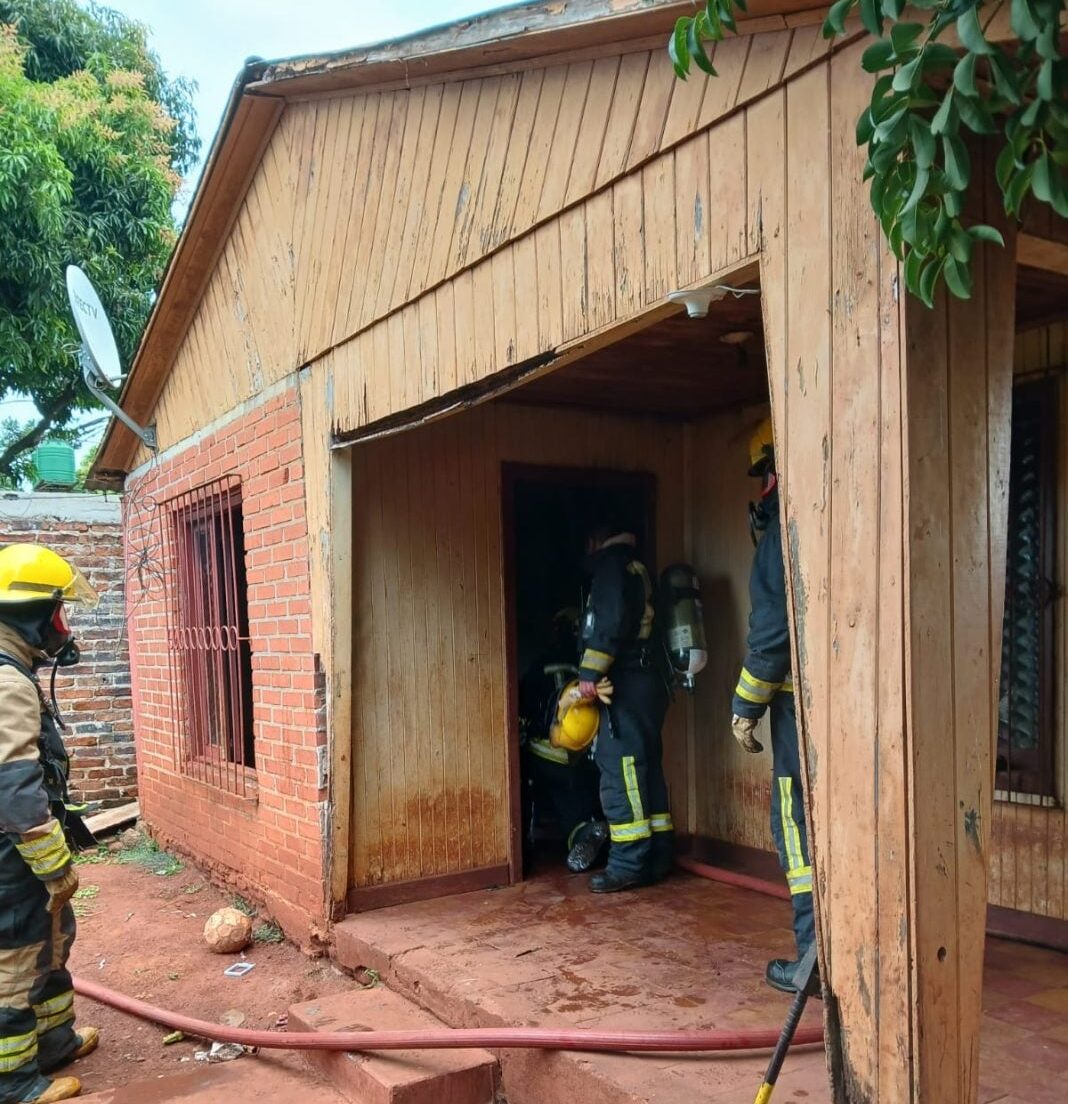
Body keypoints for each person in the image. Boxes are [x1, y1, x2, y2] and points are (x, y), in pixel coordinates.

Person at [0, 544, 101, 1104]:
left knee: (52, 942)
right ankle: (14, 1082)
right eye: (60, 610)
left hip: (19, 852)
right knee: (15, 964)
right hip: (12, 855)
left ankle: (54, 1042)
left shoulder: (14, 668)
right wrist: (54, 866)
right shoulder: (7, 682)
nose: (63, 624)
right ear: (33, 613)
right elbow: (13, 790)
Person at [730, 417, 816, 994]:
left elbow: (772, 634)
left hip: (796, 718)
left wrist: (745, 705)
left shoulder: (783, 532)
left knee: (797, 829)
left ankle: (814, 963)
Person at [576, 519, 673, 893]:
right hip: (650, 682)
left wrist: (590, 672)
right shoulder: (636, 564)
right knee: (647, 768)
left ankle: (627, 864)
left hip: (626, 683)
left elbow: (611, 621)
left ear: (595, 539)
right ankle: (659, 856)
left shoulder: (612, 565)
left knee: (622, 768)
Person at [519, 609, 605, 873]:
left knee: (533, 791)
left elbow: (524, 712)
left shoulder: (537, 667)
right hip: (581, 758)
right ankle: (586, 831)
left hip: (544, 755)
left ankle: (526, 841)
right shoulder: (585, 668)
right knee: (576, 808)